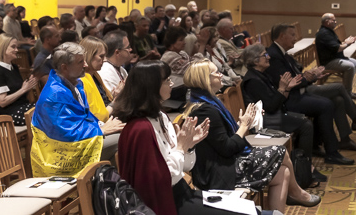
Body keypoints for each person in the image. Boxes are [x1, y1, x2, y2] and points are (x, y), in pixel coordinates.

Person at [182, 58, 321, 213]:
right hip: (219, 174)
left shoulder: (209, 103)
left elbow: (225, 139)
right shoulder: (204, 110)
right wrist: (244, 126)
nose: (221, 75)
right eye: (217, 73)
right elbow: (227, 148)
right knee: (279, 151)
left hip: (226, 163)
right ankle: (296, 193)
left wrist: (247, 122)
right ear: (205, 79)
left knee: (283, 173)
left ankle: (290, 199)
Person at [113, 60, 246, 215]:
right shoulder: (140, 129)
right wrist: (181, 148)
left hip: (181, 192)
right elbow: (162, 181)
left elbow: (185, 168)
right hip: (163, 203)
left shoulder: (160, 115)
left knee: (248, 208)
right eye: (167, 80)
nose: (172, 83)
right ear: (152, 86)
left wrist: (189, 146)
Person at [265, 23, 356, 160]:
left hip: (298, 92)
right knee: (328, 102)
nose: (295, 38)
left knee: (338, 100)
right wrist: (309, 78)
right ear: (282, 36)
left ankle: (342, 141)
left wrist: (311, 75)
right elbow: (288, 82)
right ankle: (333, 150)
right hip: (289, 99)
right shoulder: (274, 55)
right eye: (292, 35)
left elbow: (296, 75)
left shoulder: (282, 53)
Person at [31, 42, 124, 177]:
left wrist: (101, 126)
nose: (86, 65)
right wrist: (101, 130)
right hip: (59, 154)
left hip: (81, 141)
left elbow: (83, 117)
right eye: (81, 62)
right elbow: (66, 134)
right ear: (65, 67)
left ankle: (107, 186)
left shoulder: (74, 83)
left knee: (125, 134)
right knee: (123, 139)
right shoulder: (55, 95)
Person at [241, 44, 326, 183]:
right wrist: (282, 88)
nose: (268, 57)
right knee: (305, 125)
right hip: (264, 121)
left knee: (303, 121)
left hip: (272, 115)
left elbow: (277, 101)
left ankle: (302, 166)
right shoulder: (253, 81)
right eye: (265, 55)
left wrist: (286, 89)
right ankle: (304, 169)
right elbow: (271, 106)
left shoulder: (261, 75)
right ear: (255, 61)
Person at [80, 36, 124, 162]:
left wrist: (115, 96)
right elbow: (98, 117)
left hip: (104, 125)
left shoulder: (94, 75)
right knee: (131, 136)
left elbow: (104, 102)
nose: (104, 60)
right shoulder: (82, 80)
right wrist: (116, 101)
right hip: (95, 133)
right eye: (101, 56)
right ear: (88, 56)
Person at [0, 34, 37, 125]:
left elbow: (19, 94)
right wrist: (24, 89)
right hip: (7, 115)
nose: (17, 50)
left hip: (22, 108)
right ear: (2, 48)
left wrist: (29, 85)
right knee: (45, 115)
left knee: (50, 108)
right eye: (13, 47)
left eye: (17, 47)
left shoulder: (13, 67)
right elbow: (2, 102)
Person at [315, 13, 356, 99]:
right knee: (350, 66)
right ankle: (347, 94)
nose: (336, 22)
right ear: (327, 22)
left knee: (354, 61)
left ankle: (346, 91)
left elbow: (335, 46)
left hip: (334, 58)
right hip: (328, 62)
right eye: (333, 20)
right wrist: (347, 44)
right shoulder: (324, 34)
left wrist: (345, 42)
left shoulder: (329, 31)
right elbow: (338, 49)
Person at [160, 27, 207, 101]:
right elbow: (193, 69)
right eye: (181, 40)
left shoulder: (182, 53)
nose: (184, 42)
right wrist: (202, 45)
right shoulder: (169, 56)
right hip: (174, 90)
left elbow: (196, 64)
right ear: (172, 42)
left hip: (183, 88)